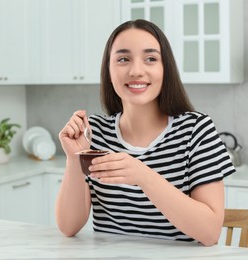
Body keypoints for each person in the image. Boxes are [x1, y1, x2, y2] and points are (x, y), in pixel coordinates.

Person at [56, 19, 235, 246]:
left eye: (150, 59)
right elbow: (68, 226)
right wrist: (75, 158)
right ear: (108, 71)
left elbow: (210, 233)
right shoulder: (95, 132)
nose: (136, 71)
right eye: (123, 59)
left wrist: (142, 175)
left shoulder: (196, 130)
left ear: (165, 68)